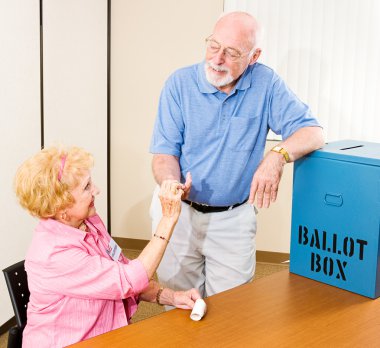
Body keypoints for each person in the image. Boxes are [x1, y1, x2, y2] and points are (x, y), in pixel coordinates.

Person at [149, 11, 324, 298]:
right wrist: (170, 183)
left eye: (231, 53)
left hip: (233, 218)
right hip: (179, 214)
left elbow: (313, 133)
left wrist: (276, 155)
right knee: (177, 304)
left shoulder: (266, 84)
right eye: (213, 46)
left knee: (231, 309)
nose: (217, 59)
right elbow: (164, 155)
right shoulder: (178, 84)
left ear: (253, 57)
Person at [14, 145, 200, 348]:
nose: (96, 190)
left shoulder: (89, 222)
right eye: (86, 187)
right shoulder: (53, 254)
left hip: (106, 336)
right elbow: (128, 280)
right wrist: (168, 218)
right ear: (61, 208)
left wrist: (171, 296)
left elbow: (120, 270)